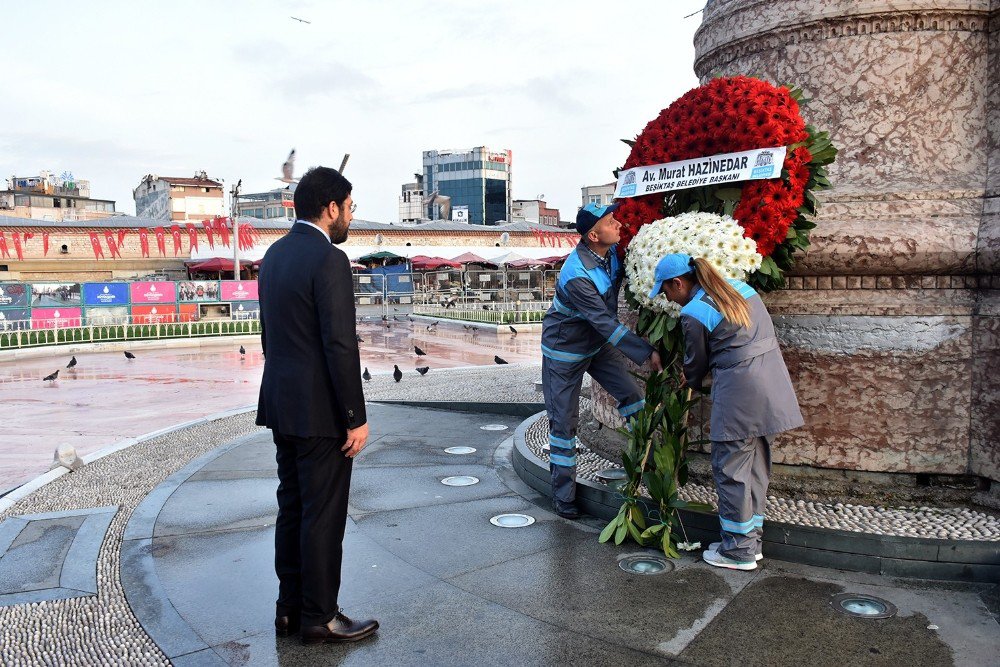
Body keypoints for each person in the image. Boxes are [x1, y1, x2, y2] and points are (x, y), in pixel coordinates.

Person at [256, 166, 378, 644]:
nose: (350, 216)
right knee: (323, 514)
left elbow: (269, 337)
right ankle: (319, 616)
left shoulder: (274, 255)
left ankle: (289, 609)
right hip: (321, 414)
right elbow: (339, 345)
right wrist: (356, 417)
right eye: (349, 207)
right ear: (330, 208)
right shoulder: (328, 260)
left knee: (293, 507)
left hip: (282, 406)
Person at [649, 253, 804, 571]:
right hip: (771, 386)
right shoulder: (739, 289)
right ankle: (752, 541)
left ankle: (738, 551)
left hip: (739, 394)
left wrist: (687, 378)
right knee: (756, 468)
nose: (669, 299)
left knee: (731, 469)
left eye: (666, 292)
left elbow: (696, 365)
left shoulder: (694, 312)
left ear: (678, 283)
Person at [541, 202, 662, 519]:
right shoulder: (576, 275)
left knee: (632, 397)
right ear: (594, 235)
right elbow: (605, 322)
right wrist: (645, 352)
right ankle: (563, 496)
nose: (618, 224)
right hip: (564, 351)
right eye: (611, 221)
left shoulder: (612, 254)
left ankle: (650, 462)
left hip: (595, 344)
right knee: (564, 424)